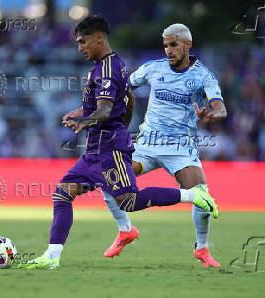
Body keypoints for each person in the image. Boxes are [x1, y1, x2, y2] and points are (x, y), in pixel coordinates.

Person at [19, 17, 218, 270]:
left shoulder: (107, 70)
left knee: (128, 201)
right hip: (95, 150)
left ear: (99, 38)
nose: (79, 47)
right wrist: (83, 113)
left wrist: (85, 122)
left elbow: (104, 110)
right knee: (62, 194)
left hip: (109, 151)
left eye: (83, 42)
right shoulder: (107, 65)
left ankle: (192, 195)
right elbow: (120, 101)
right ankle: (52, 256)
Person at [102, 24, 227, 268]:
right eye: (165, 45)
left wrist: (212, 114)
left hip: (180, 148)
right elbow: (125, 87)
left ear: (187, 45)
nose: (168, 50)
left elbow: (220, 106)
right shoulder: (152, 68)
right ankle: (125, 230)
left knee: (201, 194)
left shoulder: (202, 75)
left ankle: (201, 248)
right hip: (147, 144)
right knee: (108, 176)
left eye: (173, 45)